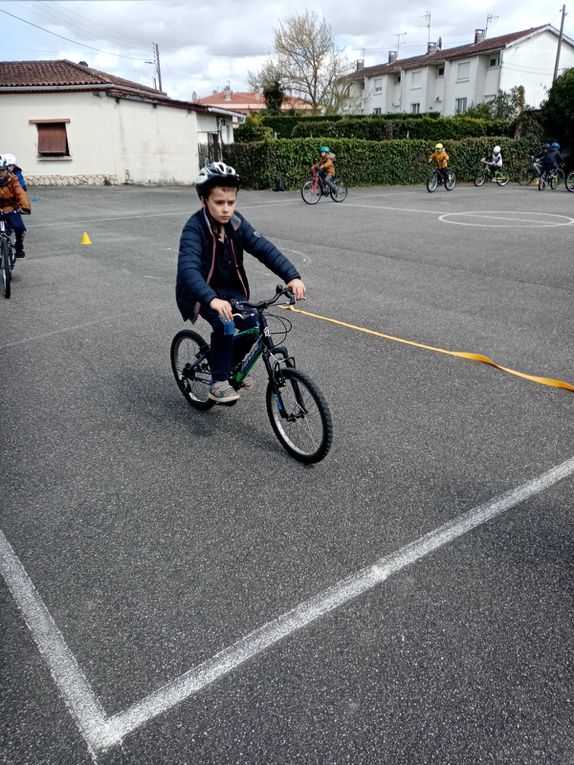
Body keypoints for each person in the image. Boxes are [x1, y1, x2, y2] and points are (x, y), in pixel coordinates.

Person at [176, 162, 306, 404]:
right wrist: (211, 299)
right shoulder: (194, 230)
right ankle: (218, 381)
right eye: (219, 202)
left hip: (230, 289)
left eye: (231, 202)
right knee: (226, 324)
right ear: (204, 200)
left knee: (253, 324)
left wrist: (292, 276)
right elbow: (188, 269)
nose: (226, 209)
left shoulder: (236, 223)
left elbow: (264, 249)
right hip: (200, 292)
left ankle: (228, 363)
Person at [0, 155, 31, 257]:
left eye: (3, 170)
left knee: (19, 228)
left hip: (10, 207)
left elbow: (20, 193)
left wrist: (25, 207)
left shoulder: (13, 179)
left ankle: (19, 247)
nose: (2, 173)